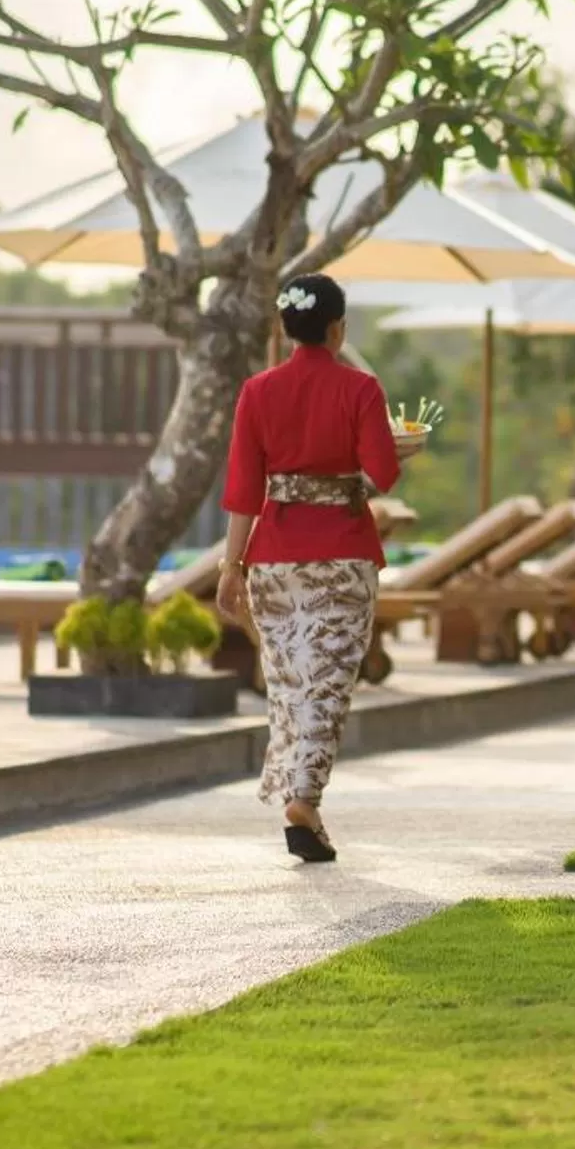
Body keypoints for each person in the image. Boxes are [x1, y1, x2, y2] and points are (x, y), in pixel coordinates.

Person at [215, 273, 424, 864]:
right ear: (337, 329)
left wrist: (232, 568)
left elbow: (242, 491)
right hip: (342, 559)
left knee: (288, 686)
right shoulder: (361, 389)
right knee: (328, 686)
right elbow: (381, 474)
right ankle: (303, 799)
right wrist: (394, 445)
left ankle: (300, 796)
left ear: (286, 330)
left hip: (273, 560)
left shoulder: (256, 391)